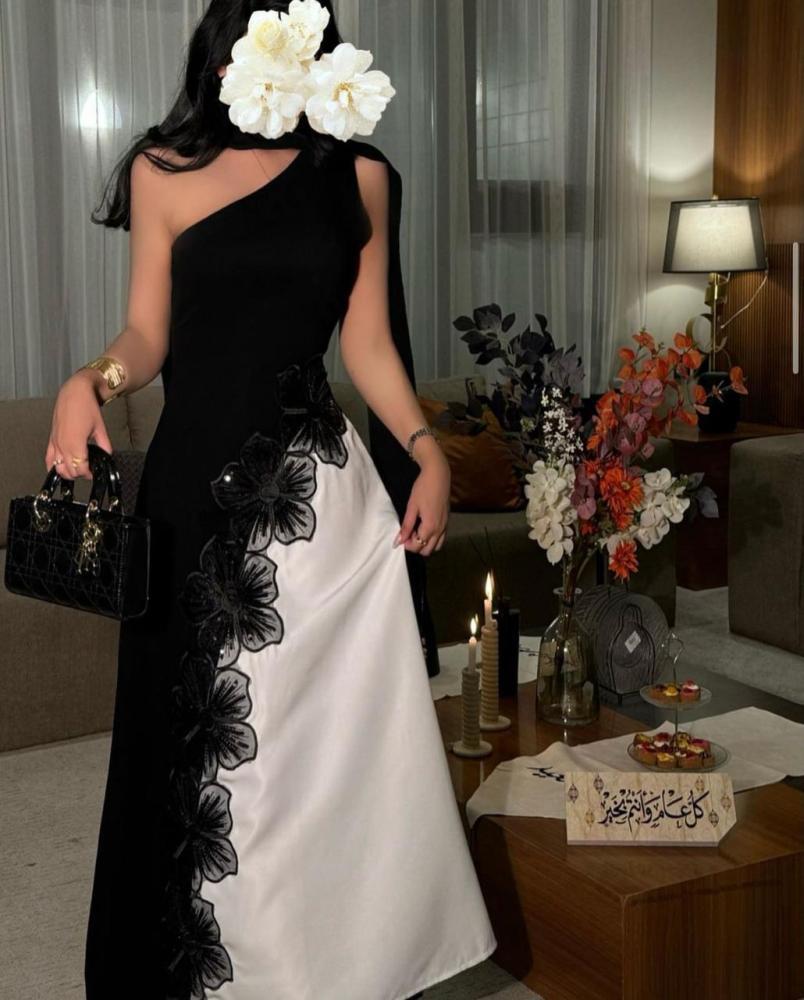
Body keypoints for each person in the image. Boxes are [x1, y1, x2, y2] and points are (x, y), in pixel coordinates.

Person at [46, 1, 497, 998]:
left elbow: (367, 345)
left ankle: (326, 969)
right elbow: (146, 335)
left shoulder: (361, 175)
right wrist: (92, 380)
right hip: (191, 496)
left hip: (319, 502)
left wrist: (427, 450)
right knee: (197, 753)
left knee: (321, 763)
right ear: (223, 53)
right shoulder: (162, 169)